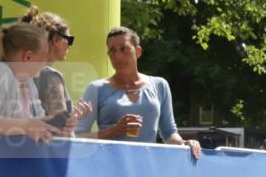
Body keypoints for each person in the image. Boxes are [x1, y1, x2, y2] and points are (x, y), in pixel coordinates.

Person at [75, 27, 201, 159]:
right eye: (112, 51)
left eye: (124, 49)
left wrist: (184, 143)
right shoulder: (96, 88)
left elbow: (169, 133)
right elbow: (77, 137)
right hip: (109, 168)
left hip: (145, 168)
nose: (117, 56)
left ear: (138, 51)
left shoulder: (159, 85)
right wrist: (113, 131)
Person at [0, 22, 81, 142]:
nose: (47, 61)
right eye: (45, 55)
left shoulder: (28, 83)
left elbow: (36, 126)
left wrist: (59, 127)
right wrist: (25, 126)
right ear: (28, 57)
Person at [21, 6, 74, 118]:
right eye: (69, 40)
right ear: (56, 39)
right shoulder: (50, 75)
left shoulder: (22, 74)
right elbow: (60, 125)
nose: (69, 46)